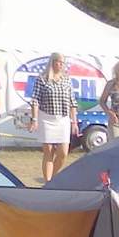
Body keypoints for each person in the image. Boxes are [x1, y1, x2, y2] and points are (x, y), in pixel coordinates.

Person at [27, 52, 77, 183]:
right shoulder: (42, 79)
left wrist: (74, 122)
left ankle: (53, 178)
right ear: (52, 62)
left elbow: (72, 102)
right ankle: (48, 181)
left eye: (62, 63)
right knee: (48, 151)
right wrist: (34, 119)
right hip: (46, 118)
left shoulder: (67, 79)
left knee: (63, 153)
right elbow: (35, 100)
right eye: (58, 62)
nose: (60, 65)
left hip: (63, 119)